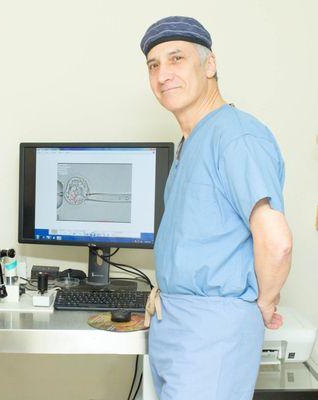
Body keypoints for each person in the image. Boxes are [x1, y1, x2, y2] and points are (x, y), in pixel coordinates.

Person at [140, 16, 292, 400]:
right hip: (176, 325)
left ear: (210, 65)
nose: (162, 75)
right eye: (154, 65)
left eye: (176, 59)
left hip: (211, 332)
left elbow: (277, 241)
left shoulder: (236, 135)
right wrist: (166, 292)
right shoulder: (191, 142)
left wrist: (260, 307)